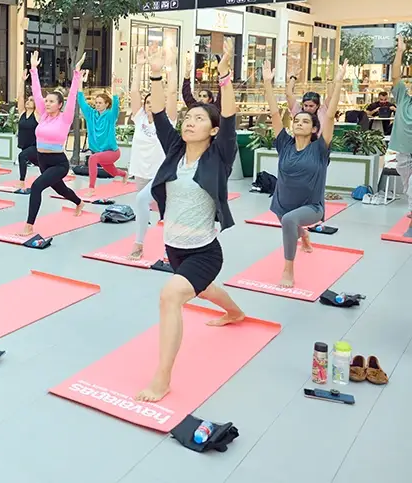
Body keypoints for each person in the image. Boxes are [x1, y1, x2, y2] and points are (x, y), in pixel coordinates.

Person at [136, 38, 246, 403]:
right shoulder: (175, 150)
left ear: (212, 130)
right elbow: (159, 113)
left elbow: (229, 117)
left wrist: (226, 76)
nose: (190, 121)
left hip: (204, 251)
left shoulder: (220, 156)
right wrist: (155, 73)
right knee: (205, 288)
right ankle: (235, 312)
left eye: (200, 118)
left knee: (172, 297)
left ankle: (162, 377)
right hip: (175, 248)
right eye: (189, 117)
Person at [261, 58, 347, 288]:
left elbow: (329, 116)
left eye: (305, 121)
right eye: (296, 120)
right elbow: (274, 113)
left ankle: (288, 269)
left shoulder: (320, 148)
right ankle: (304, 236)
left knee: (290, 221)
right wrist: (267, 84)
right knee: (290, 222)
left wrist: (338, 83)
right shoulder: (284, 144)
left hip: (312, 207)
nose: (299, 123)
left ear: (314, 128)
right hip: (282, 204)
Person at [18, 51, 85, 237]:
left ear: (60, 105)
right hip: (43, 160)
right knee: (61, 189)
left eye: (51, 101)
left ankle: (29, 225)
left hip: (58, 162)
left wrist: (77, 74)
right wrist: (33, 70)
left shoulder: (65, 118)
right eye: (46, 101)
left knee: (37, 186)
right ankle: (79, 202)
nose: (46, 103)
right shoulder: (44, 115)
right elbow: (37, 93)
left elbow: (72, 96)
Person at [128, 46, 178, 261]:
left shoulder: (167, 121)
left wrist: (172, 65)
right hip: (141, 171)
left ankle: (168, 249)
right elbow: (134, 93)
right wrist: (139, 66)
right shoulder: (139, 118)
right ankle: (141, 242)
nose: (149, 106)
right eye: (147, 103)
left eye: (152, 103)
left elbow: (173, 93)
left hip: (162, 174)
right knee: (142, 207)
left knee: (163, 211)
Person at [78, 76, 125, 188]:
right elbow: (81, 100)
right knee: (113, 172)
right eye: (96, 102)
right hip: (99, 152)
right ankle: (124, 174)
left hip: (112, 152)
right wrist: (79, 82)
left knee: (93, 159)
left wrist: (114, 86)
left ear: (106, 104)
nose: (97, 104)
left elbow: (115, 104)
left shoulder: (110, 115)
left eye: (100, 103)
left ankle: (91, 188)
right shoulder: (91, 114)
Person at [388, 35, 412, 229]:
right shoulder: (403, 98)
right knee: (407, 184)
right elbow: (395, 75)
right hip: (404, 151)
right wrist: (400, 50)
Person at [286, 58, 329, 136]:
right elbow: (289, 94)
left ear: (317, 106)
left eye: (311, 106)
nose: (308, 108)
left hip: (317, 146)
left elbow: (331, 97)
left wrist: (329, 80)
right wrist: (293, 77)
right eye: (305, 105)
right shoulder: (298, 111)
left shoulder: (322, 112)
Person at [15, 68, 39, 190]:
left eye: (32, 100)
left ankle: (21, 182)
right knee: (41, 165)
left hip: (35, 146)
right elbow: (19, 97)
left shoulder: (37, 114)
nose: (29, 102)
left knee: (21, 156)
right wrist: (22, 81)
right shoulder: (22, 113)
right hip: (25, 146)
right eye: (28, 100)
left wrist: (34, 78)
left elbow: (38, 98)